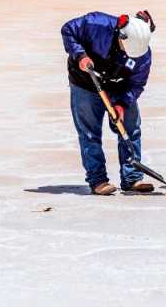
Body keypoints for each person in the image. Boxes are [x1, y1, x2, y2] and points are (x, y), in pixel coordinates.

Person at [61, 10, 155, 195]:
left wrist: (122, 104)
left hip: (118, 85)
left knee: (130, 128)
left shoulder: (143, 54)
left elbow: (137, 83)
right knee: (89, 132)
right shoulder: (96, 23)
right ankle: (98, 180)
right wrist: (80, 55)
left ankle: (132, 178)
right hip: (86, 81)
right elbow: (67, 30)